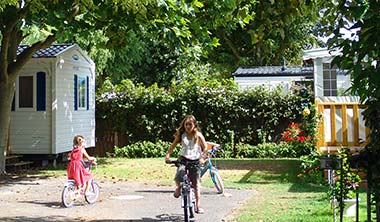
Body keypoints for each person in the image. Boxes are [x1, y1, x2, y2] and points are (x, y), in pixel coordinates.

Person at [165, 115, 208, 214]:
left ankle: (198, 205)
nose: (188, 126)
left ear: (194, 125)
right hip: (183, 159)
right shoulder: (182, 135)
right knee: (179, 176)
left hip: (195, 160)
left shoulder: (198, 135)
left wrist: (202, 158)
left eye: (190, 124)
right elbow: (173, 145)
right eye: (186, 124)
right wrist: (167, 156)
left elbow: (205, 147)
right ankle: (179, 188)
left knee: (196, 184)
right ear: (184, 125)